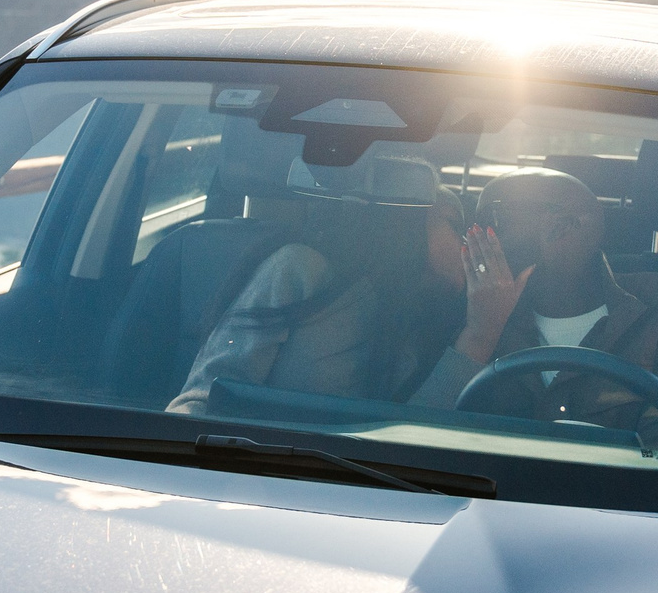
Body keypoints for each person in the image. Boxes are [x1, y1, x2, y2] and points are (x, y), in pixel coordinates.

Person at [411, 167, 658, 451]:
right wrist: (480, 333)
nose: (473, 237)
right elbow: (410, 448)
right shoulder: (465, 311)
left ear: (561, 228)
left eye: (492, 219)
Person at [165, 176, 481, 415]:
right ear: (408, 221)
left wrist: (484, 330)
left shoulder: (426, 321)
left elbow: (419, 445)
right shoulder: (302, 269)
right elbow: (201, 402)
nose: (468, 241)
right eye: (456, 225)